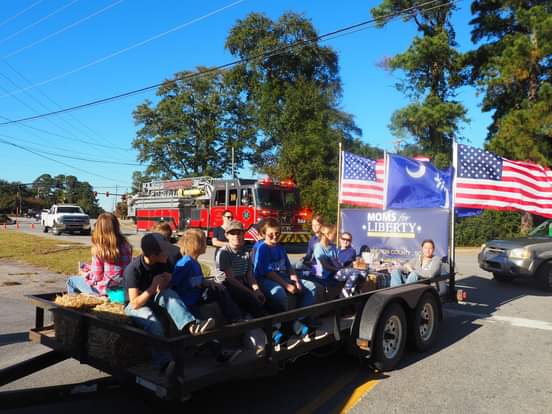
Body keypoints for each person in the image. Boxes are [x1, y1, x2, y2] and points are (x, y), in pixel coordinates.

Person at [124, 233, 214, 372]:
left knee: (170, 294)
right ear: (153, 255)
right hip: (136, 304)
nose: (169, 253)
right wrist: (153, 287)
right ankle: (163, 364)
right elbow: (134, 303)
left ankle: (192, 326)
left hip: (153, 297)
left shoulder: (162, 262)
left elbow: (166, 289)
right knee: (155, 325)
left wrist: (168, 280)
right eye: (165, 251)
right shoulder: (133, 269)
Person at [253, 218, 319, 346]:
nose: (274, 237)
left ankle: (300, 319)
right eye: (270, 234)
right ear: (263, 234)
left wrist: (296, 281)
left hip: (282, 276)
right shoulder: (262, 248)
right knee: (279, 292)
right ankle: (286, 325)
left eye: (277, 233)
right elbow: (267, 271)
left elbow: (289, 267)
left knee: (311, 287)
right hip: (265, 279)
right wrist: (286, 285)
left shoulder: (281, 248)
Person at [172, 228, 242, 324]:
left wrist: (210, 283)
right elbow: (176, 283)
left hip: (196, 295)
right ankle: (234, 318)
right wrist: (202, 283)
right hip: (189, 299)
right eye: (204, 242)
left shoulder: (195, 262)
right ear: (196, 245)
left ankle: (234, 316)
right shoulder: (185, 263)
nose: (206, 244)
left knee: (221, 288)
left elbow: (198, 280)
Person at [66, 213, 132, 296]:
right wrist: (89, 268)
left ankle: (76, 306)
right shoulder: (126, 246)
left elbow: (97, 278)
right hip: (123, 288)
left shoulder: (99, 249)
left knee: (71, 281)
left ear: (99, 229)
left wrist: (84, 274)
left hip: (105, 290)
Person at [215, 220, 267, 318]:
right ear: (227, 236)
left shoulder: (246, 252)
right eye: (232, 233)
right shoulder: (224, 253)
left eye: (239, 233)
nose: (236, 236)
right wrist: (250, 292)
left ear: (243, 234)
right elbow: (231, 279)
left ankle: (283, 326)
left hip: (243, 283)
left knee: (265, 296)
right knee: (250, 299)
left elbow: (249, 275)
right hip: (227, 285)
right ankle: (266, 326)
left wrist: (257, 289)